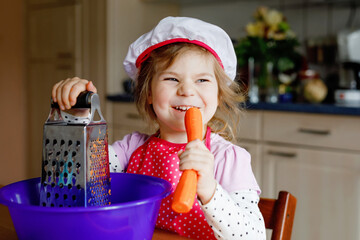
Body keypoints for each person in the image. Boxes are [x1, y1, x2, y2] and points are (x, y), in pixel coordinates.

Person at [52, 16, 265, 240]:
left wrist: (210, 190)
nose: (187, 91)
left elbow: (254, 236)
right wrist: (78, 118)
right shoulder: (131, 148)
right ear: (149, 94)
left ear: (219, 95)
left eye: (202, 80)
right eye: (172, 79)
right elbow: (74, 181)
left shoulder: (228, 159)